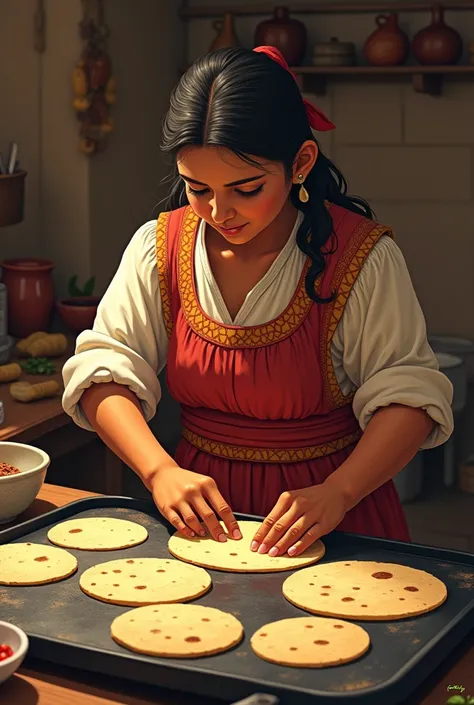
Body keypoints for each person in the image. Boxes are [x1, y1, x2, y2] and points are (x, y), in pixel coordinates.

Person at [62, 45, 453, 560]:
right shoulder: (158, 247)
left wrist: (339, 492)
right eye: (197, 187)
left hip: (333, 513)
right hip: (200, 511)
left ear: (300, 164)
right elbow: (104, 368)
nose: (219, 212)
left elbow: (409, 395)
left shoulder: (362, 256)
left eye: (246, 188)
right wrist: (159, 471)